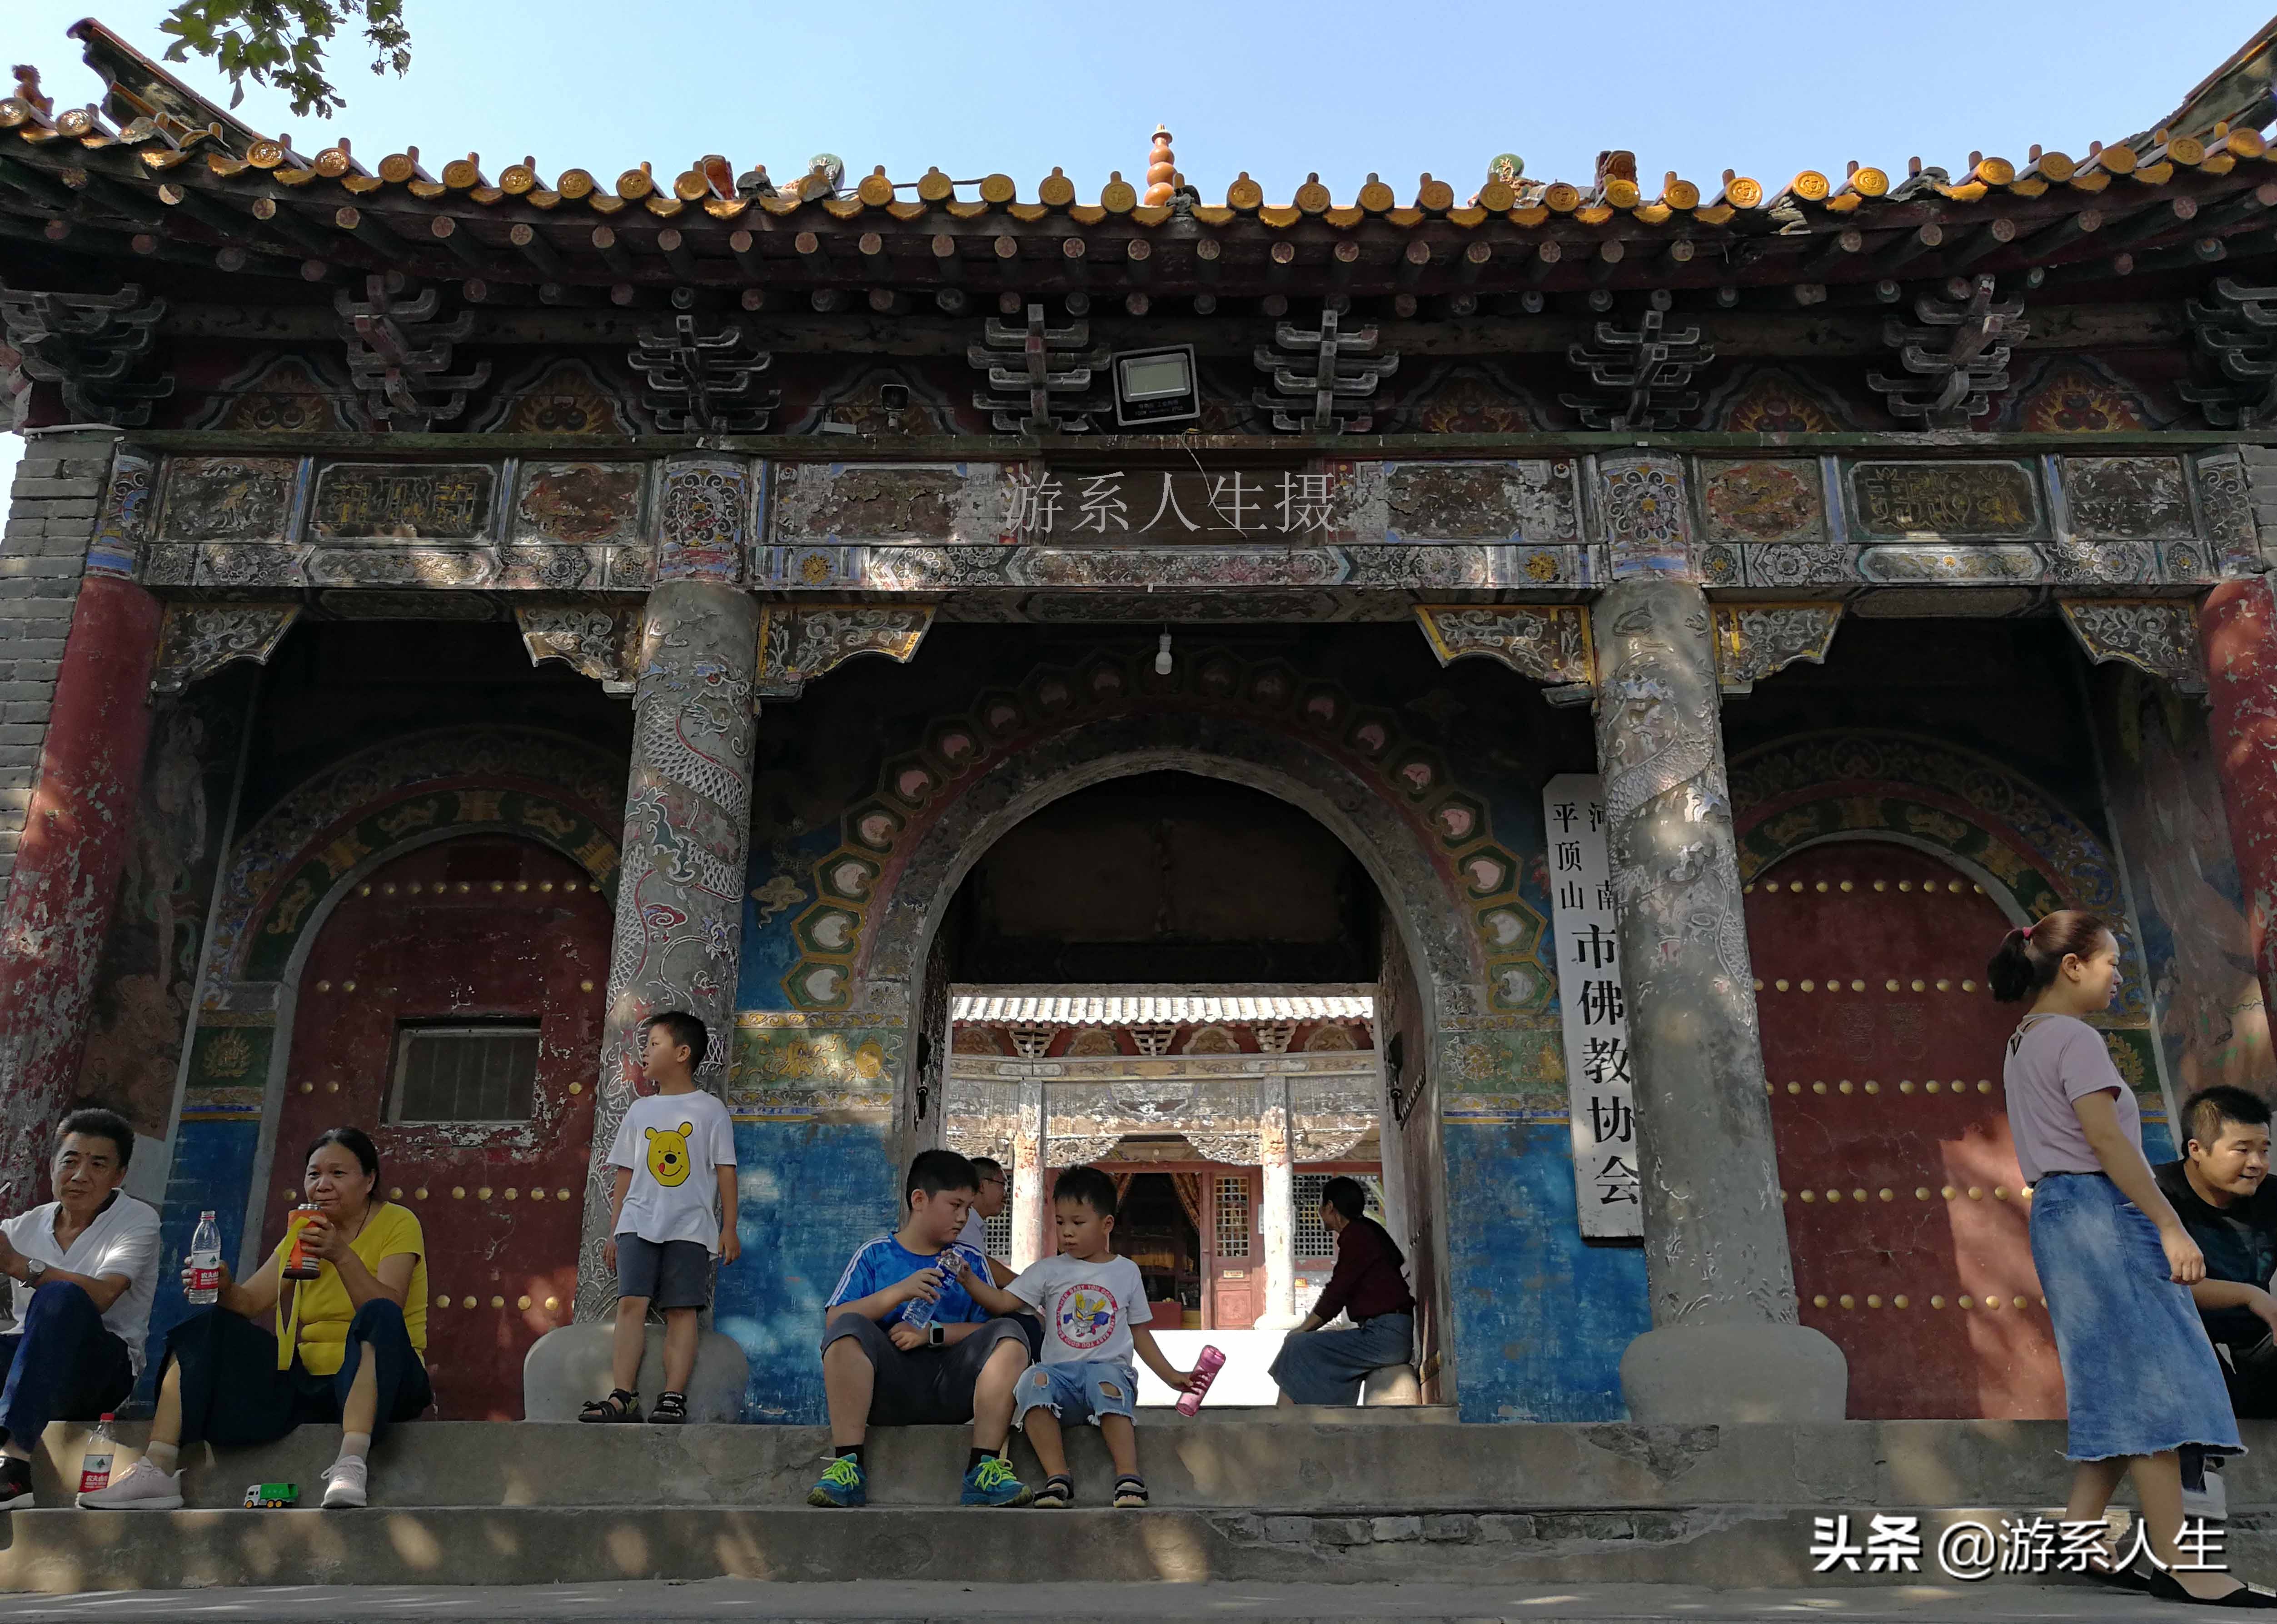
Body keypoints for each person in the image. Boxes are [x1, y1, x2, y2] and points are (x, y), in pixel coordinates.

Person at [1992, 911, 2276, 1606]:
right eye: (2110, 962)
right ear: (2071, 965)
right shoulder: (2073, 1037)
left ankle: (2075, 1539)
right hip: (2100, 1210)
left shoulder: (2023, 1037)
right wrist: (2168, 1222)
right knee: (2160, 1378)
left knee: (2120, 1380)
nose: (2118, 974)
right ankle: (2182, 1563)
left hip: (2060, 1215)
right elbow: (2108, 1143)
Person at [80, 1126, 428, 1513]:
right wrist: (224, 1286)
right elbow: (249, 1302)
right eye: (314, 1174)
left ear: (369, 1180)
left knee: (377, 1314)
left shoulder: (398, 1221)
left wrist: (342, 1255)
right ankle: (158, 1468)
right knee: (207, 1326)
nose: (323, 1185)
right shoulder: (304, 1229)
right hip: (311, 1383)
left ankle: (350, 1463)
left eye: (338, 1174)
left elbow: (390, 1305)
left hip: (388, 1379)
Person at [952, 1164, 1196, 1508]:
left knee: (1106, 1382)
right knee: (1030, 1380)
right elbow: (1004, 1301)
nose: (1067, 1232)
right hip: (1059, 1379)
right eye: (1061, 1222)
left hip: (1109, 1372)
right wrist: (970, 1281)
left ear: (1107, 1224)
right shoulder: (1048, 1270)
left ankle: (1128, 1475)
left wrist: (1171, 1376)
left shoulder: (1126, 1271)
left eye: (1078, 1223)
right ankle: (1057, 1477)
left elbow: (1140, 1332)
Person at [808, 1149, 1033, 1509]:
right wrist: (900, 1291)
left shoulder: (969, 1262)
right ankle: (847, 1466)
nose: (963, 1218)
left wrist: (935, 1334)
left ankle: (984, 1469)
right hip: (887, 1388)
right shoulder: (874, 1254)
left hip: (953, 1388)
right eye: (954, 1205)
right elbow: (833, 1321)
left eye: (968, 1209)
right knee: (848, 1327)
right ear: (919, 1200)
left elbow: (988, 1328)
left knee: (1010, 1332)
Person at [581, 1011, 739, 1426]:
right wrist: (616, 1231)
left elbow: (725, 1170)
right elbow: (625, 1175)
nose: (645, 1051)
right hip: (638, 1223)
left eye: (654, 1043)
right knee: (631, 1303)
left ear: (683, 1053)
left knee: (682, 1310)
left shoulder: (711, 1110)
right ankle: (622, 1395)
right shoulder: (640, 1111)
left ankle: (672, 1396)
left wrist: (729, 1228)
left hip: (689, 1227)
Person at [0, 1109, 159, 1509]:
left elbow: (104, 1294)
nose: (79, 1175)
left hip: (99, 1372)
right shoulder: (21, 1227)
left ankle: (14, 1463)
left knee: (61, 1297)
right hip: (27, 1365)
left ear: (119, 1176)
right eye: (69, 1161)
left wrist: (19, 1265)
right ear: (52, 1166)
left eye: (97, 1164)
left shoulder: (138, 1220)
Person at [2154, 1084, 2277, 1518]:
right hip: (2180, 1345)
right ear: (2197, 1149)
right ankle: (2197, 1477)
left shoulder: (2273, 1196)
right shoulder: (2157, 1196)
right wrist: (2249, 1294)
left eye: (2264, 1149)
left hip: (2255, 1351)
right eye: (2242, 1149)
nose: (2257, 1163)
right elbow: (2155, 1284)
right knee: (2171, 1337)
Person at [1268, 1176, 1415, 1407]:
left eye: (1320, 1206)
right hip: (1386, 1333)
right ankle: (1293, 1415)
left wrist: (1301, 1330)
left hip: (1387, 1337)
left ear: (1330, 1207)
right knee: (1305, 1347)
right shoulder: (1367, 1231)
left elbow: (1336, 1294)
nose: (1319, 1212)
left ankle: (1282, 1420)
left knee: (1297, 1346)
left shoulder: (1359, 1236)